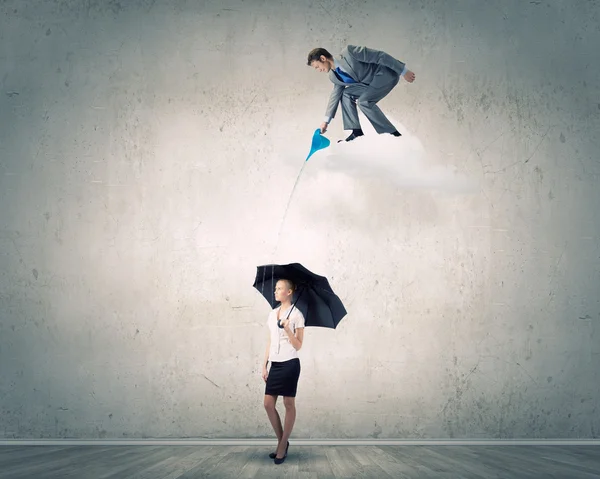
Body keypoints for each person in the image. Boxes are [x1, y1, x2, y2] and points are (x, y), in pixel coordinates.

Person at [307, 45, 416, 142]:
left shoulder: (349, 53)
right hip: (368, 85)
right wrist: (326, 122)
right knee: (345, 94)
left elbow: (380, 56)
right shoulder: (333, 76)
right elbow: (335, 96)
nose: (318, 70)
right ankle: (356, 131)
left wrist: (403, 71)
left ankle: (392, 133)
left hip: (384, 75)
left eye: (317, 67)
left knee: (364, 102)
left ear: (323, 58)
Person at [262, 279, 305, 465]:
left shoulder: (297, 315)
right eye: (275, 288)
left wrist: (288, 328)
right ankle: (283, 442)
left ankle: (281, 446)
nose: (275, 291)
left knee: (288, 403)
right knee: (268, 404)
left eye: (279, 288)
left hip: (290, 363)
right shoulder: (272, 314)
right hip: (275, 364)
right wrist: (264, 365)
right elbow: (270, 341)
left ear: (289, 292)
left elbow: (299, 345)